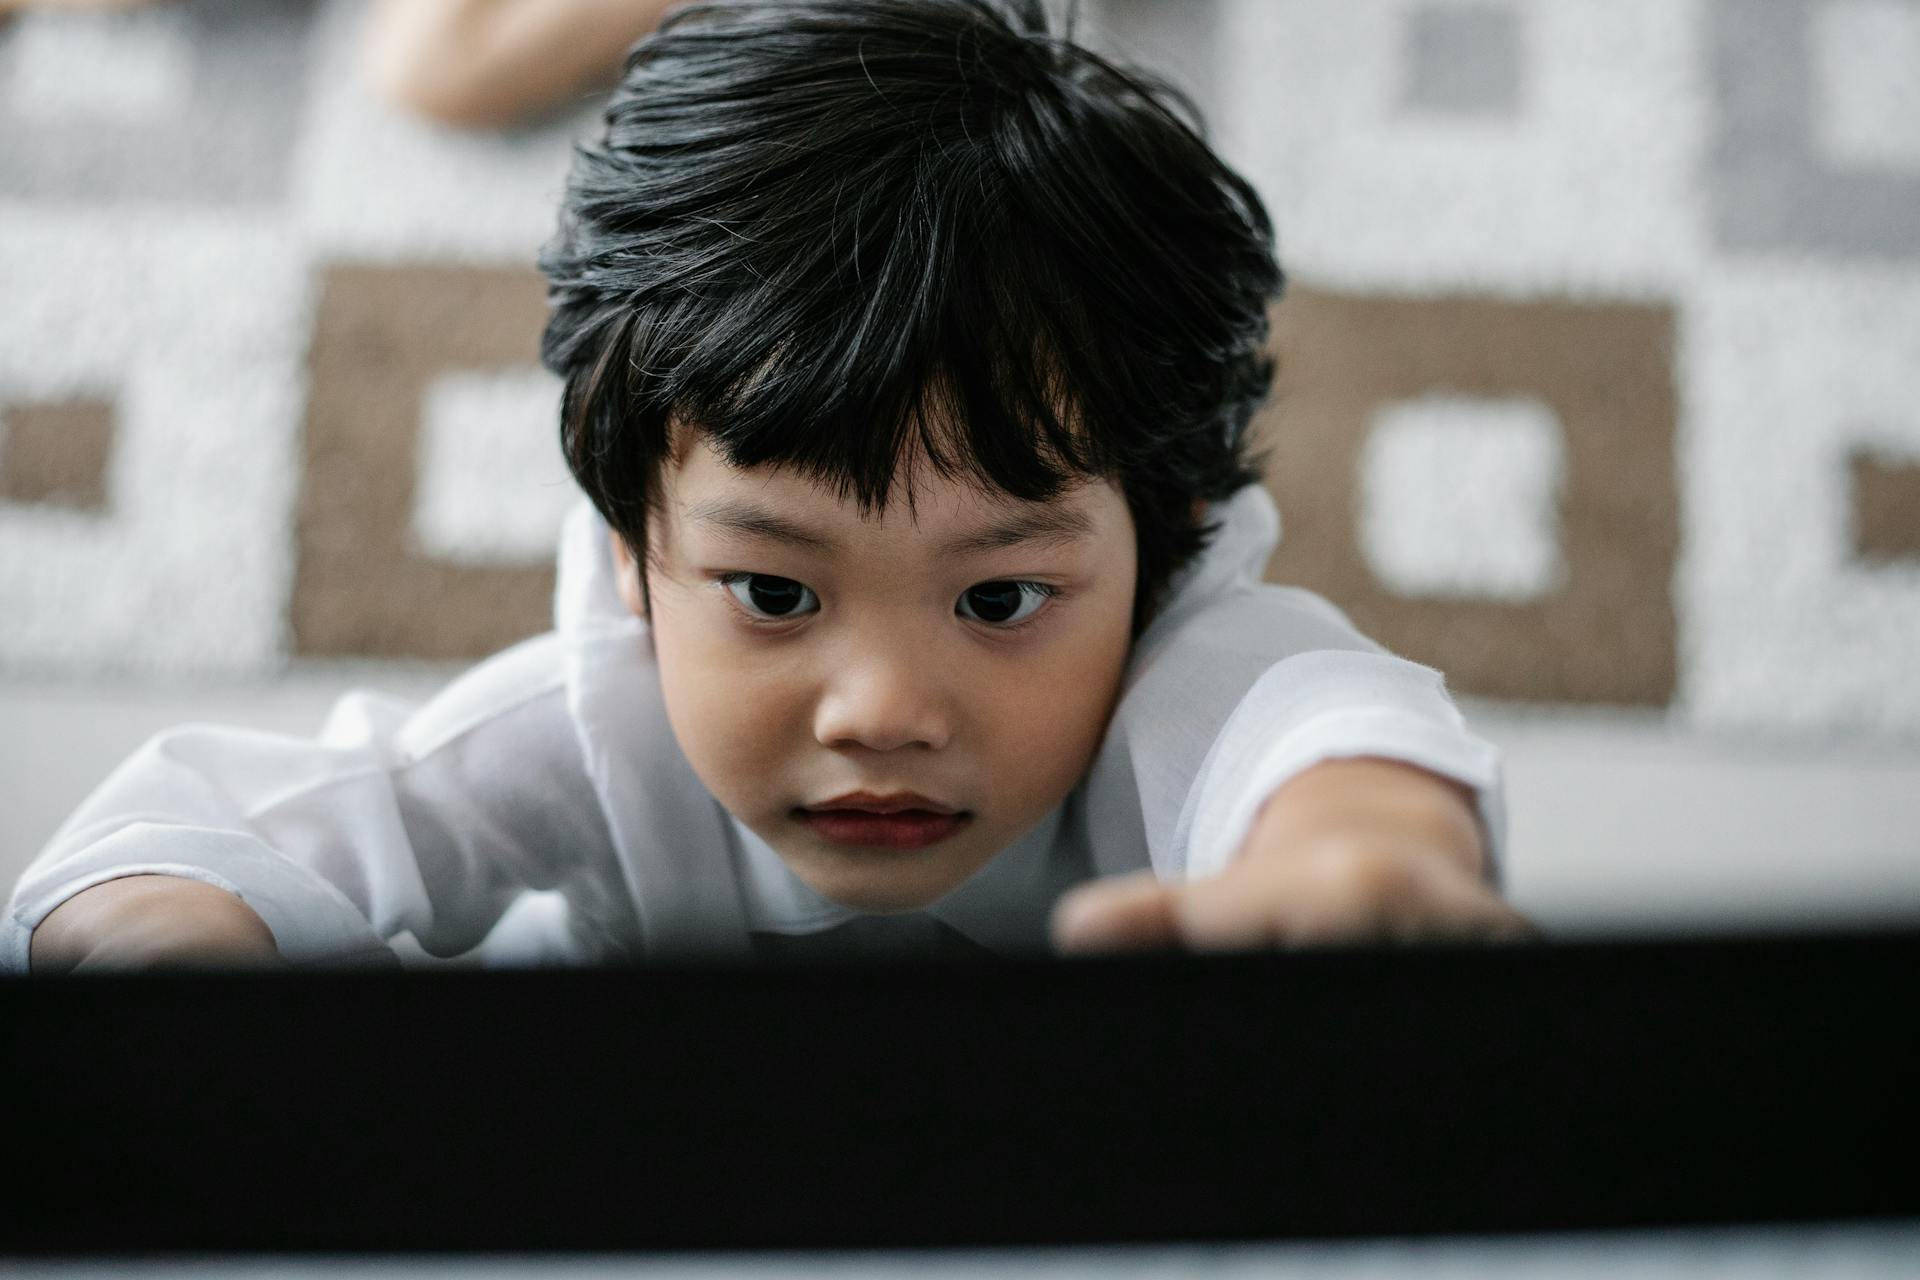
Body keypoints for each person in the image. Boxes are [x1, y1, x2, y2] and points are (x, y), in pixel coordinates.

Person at [7, 0, 1532, 973]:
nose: (879, 707)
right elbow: (225, 824)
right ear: (631, 558)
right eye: (774, 593)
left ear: (1169, 541)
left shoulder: (1185, 683)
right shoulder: (596, 730)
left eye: (1000, 596)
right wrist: (164, 933)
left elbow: (1324, 738)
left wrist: (1363, 855)